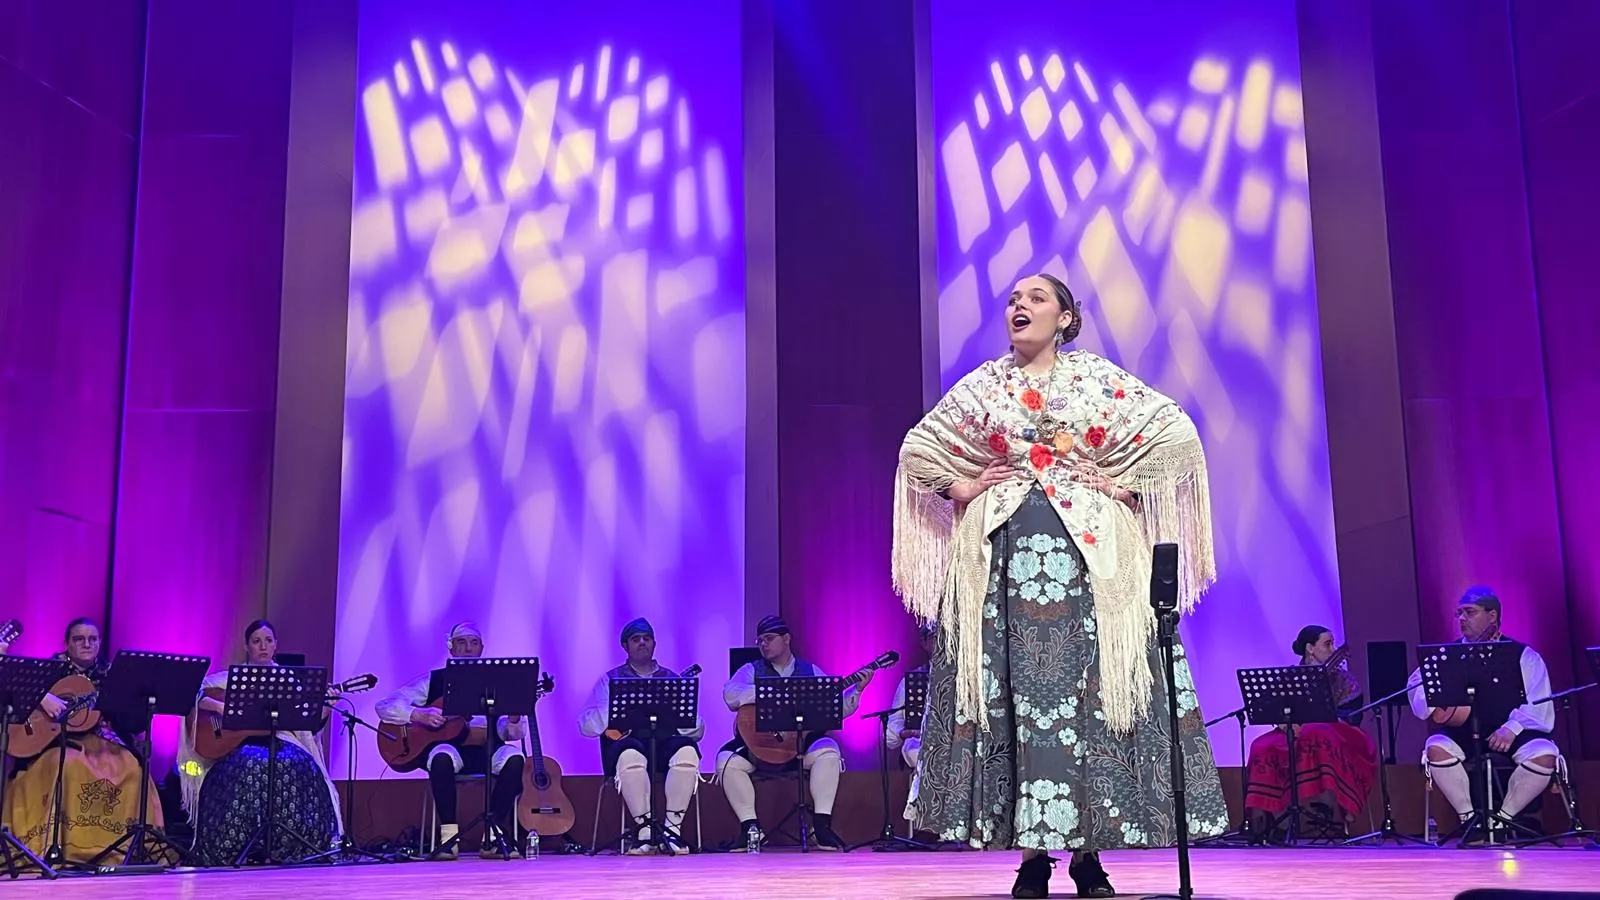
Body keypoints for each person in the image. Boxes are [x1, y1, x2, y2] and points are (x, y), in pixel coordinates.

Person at [892, 273, 1227, 898]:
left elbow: (1176, 436)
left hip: (1088, 566)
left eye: (1036, 298)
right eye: (1013, 300)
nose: (1019, 307)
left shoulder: (1097, 380)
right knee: (1018, 701)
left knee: (1088, 700)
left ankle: (1088, 854)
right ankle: (1031, 856)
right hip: (1003, 566)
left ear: (1066, 319)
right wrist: (962, 486)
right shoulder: (985, 386)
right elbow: (919, 449)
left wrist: (1126, 487)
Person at [1, 618, 165, 863]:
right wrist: (44, 698)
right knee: (66, 765)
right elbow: (16, 686)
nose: (87, 644)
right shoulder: (50, 669)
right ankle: (60, 847)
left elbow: (129, 720)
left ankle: (118, 848)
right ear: (67, 643)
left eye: (92, 639)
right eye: (79, 639)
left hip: (103, 740)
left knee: (132, 766)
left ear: (99, 642)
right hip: (56, 741)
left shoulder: (112, 675)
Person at [178, 619, 342, 866]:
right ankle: (240, 843)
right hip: (239, 745)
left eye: (268, 641)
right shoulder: (229, 679)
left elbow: (305, 723)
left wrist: (326, 707)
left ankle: (290, 843)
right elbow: (194, 694)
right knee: (250, 764)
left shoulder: (288, 680)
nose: (263, 646)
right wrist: (222, 708)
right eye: (256, 641)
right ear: (247, 646)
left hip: (281, 740)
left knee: (298, 764)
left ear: (276, 645)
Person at [1407, 587, 1561, 843]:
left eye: (1470, 612)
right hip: (1465, 731)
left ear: (1492, 616)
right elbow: (1417, 686)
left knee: (1544, 753)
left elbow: (1538, 700)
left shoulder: (1523, 655)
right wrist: (1433, 701)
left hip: (1511, 731)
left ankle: (1501, 820)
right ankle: (1471, 821)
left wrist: (1511, 728)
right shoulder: (1446, 655)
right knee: (1436, 747)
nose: (1462, 619)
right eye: (1459, 613)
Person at [374, 621, 527, 859]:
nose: (468, 648)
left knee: (515, 758)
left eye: (474, 643)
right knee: (441, 756)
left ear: (482, 649)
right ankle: (448, 838)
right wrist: (419, 715)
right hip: (450, 748)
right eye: (461, 643)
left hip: (486, 750)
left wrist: (514, 718)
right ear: (451, 648)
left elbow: (512, 733)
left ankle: (493, 836)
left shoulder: (497, 682)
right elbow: (384, 706)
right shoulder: (434, 681)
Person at [716, 615, 870, 851]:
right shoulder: (750, 670)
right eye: (760, 640)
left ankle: (821, 826)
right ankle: (750, 829)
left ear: (786, 639)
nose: (763, 644)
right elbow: (731, 694)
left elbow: (836, 708)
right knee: (726, 760)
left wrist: (857, 689)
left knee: (829, 750)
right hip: (761, 748)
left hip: (800, 747)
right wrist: (772, 693)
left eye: (769, 638)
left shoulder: (811, 670)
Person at [577, 617, 704, 855]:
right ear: (625, 646)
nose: (642, 643)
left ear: (654, 644)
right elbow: (585, 725)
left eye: (647, 639)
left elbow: (696, 730)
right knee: (630, 754)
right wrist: (619, 705)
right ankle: (644, 832)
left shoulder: (672, 678)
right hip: (628, 745)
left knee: (687, 751)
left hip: (663, 746)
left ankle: (672, 831)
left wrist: (676, 704)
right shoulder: (609, 680)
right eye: (636, 639)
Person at [1242, 625, 1378, 838]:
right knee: (1261, 745)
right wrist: (1284, 723)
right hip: (1297, 731)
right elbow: (1271, 708)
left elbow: (1352, 717)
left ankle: (1328, 811)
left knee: (1315, 733)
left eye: (1333, 644)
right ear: (1310, 649)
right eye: (1327, 644)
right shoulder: (1290, 678)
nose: (1333, 649)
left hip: (1337, 731)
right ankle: (1274, 820)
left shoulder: (1343, 680)